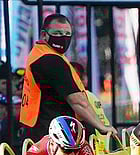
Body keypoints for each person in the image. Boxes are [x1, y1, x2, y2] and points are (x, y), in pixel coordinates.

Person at [20, 13, 115, 143]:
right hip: (58, 138)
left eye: (67, 34)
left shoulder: (39, 54)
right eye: (57, 33)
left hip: (44, 133)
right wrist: (102, 127)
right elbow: (77, 101)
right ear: (44, 35)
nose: (63, 38)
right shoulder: (50, 60)